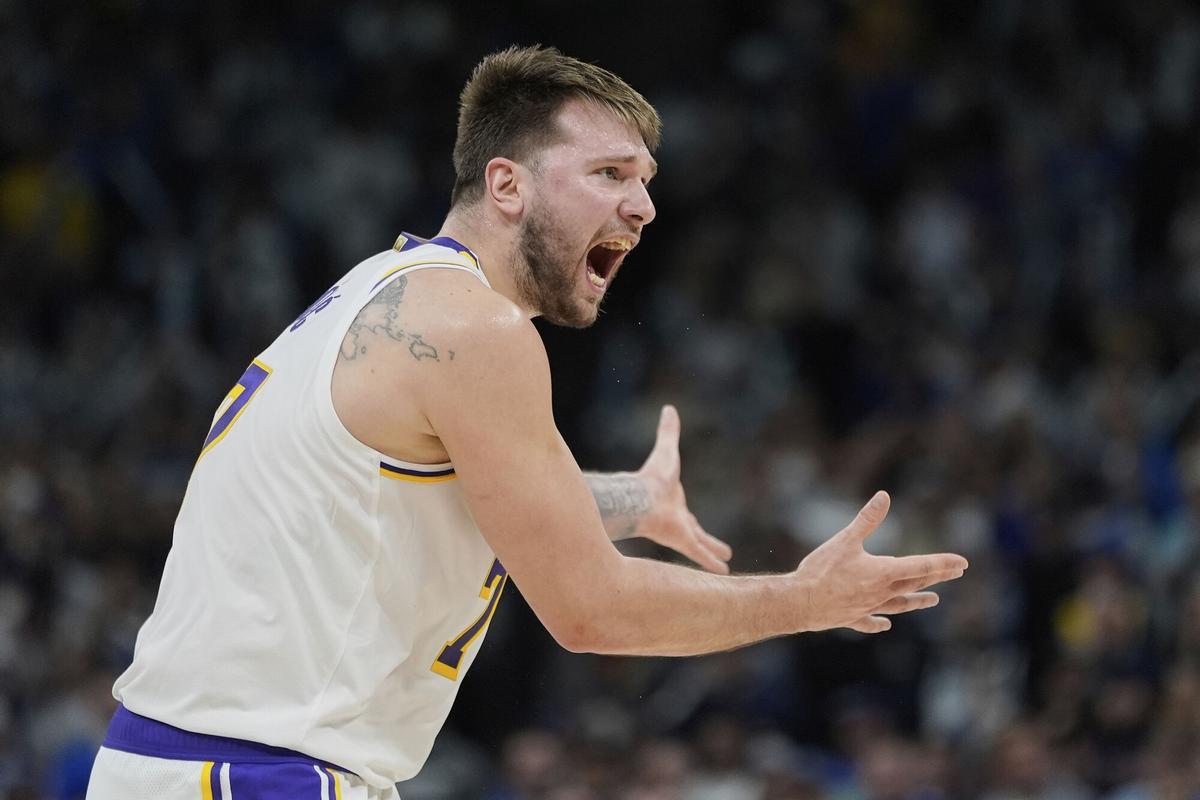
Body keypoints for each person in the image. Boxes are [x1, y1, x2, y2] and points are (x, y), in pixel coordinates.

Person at [85, 45, 968, 800]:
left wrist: (634, 499)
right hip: (257, 773)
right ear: (505, 184)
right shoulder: (478, 328)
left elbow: (471, 498)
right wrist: (804, 602)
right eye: (609, 174)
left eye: (647, 182)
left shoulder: (386, 288)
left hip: (184, 763)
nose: (644, 207)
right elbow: (590, 611)